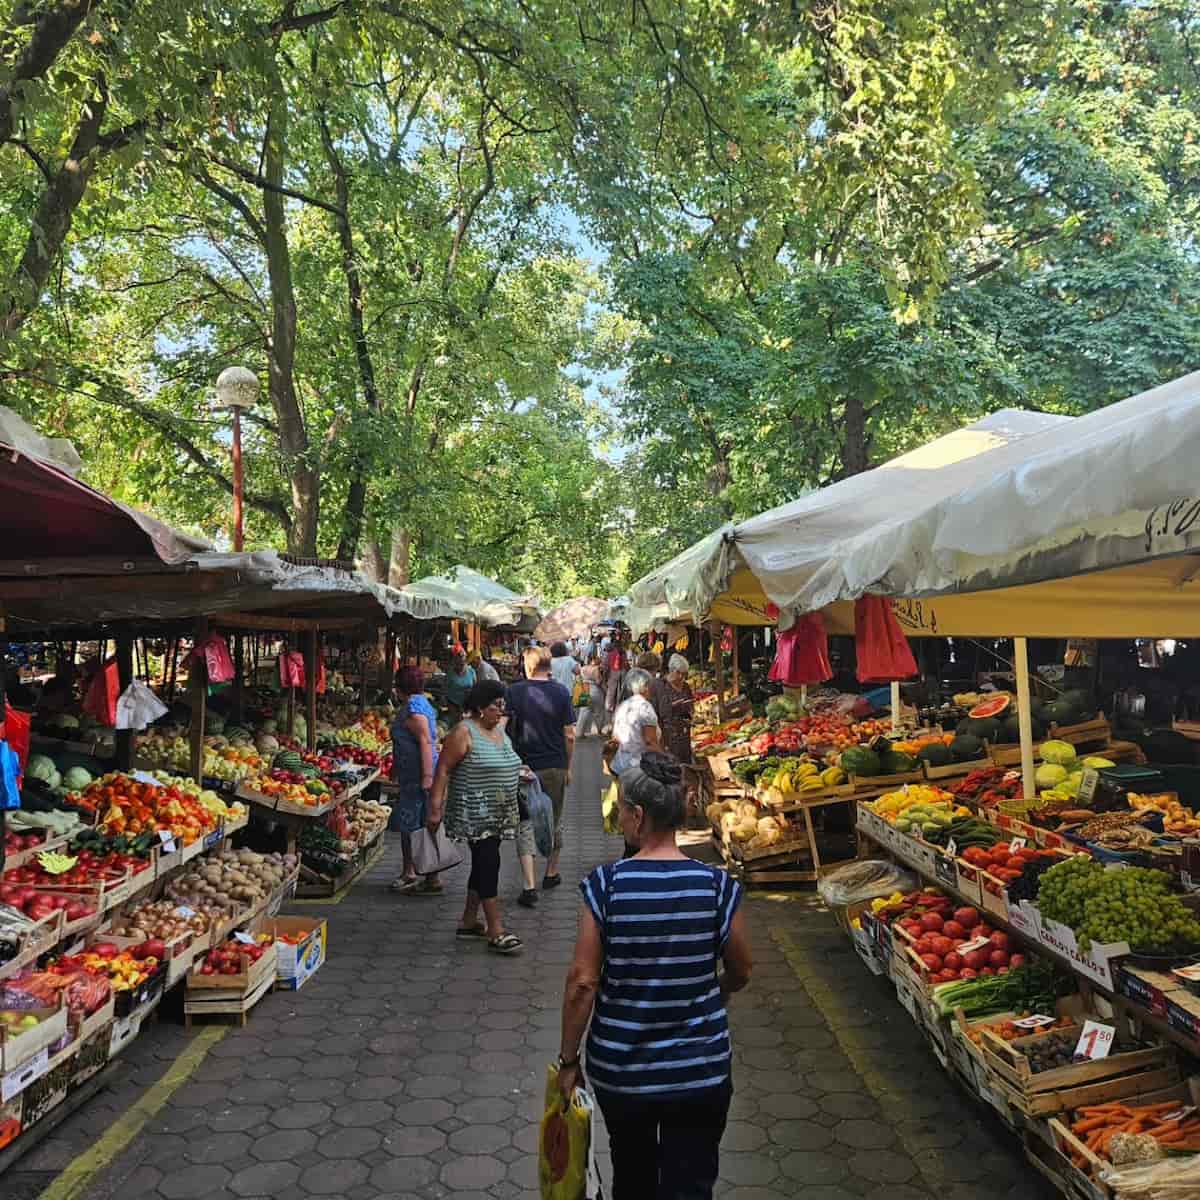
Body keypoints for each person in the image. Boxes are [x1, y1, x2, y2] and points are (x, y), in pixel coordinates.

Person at [556, 753, 752, 1200]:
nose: (620, 818)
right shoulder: (717, 886)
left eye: (622, 809)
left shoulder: (605, 885)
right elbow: (742, 969)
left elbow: (583, 982)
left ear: (639, 816)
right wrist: (715, 992)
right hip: (700, 1070)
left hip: (623, 1071)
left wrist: (569, 1061)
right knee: (691, 1183)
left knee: (633, 1174)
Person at [427, 680, 523, 954]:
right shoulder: (463, 732)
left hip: (498, 812)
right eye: (496, 706)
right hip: (473, 813)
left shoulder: (499, 732)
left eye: (503, 706)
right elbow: (443, 769)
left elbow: (505, 761)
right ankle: (496, 929)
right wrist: (435, 807)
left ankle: (469, 921)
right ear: (480, 708)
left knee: (484, 862)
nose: (500, 711)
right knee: (488, 862)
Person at [506, 646, 576, 901]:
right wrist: (568, 767)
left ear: (528, 665)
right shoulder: (561, 692)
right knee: (554, 819)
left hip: (523, 767)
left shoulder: (513, 691)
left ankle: (529, 885)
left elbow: (503, 729)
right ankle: (551, 873)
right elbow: (569, 735)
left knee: (525, 822)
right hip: (554, 766)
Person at [388, 667, 442, 896]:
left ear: (400, 688)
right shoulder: (422, 702)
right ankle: (431, 876)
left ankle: (411, 872)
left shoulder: (413, 708)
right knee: (423, 823)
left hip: (418, 778)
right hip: (414, 774)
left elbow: (425, 742)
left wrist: (428, 777)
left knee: (410, 825)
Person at [609, 667, 660, 775]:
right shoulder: (645, 708)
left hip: (620, 764)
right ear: (645, 687)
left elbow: (615, 737)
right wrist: (664, 758)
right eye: (650, 685)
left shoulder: (623, 705)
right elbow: (650, 741)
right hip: (638, 767)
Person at [660, 653, 695, 764]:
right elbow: (660, 711)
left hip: (685, 731)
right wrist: (672, 706)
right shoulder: (662, 686)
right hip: (670, 733)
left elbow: (691, 703)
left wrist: (690, 710)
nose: (681, 677)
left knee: (686, 762)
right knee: (674, 763)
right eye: (678, 673)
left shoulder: (686, 686)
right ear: (671, 670)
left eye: (683, 674)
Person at [575, 653, 605, 739]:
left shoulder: (583, 668)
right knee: (598, 712)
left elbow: (578, 679)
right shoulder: (596, 669)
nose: (600, 661)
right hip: (595, 690)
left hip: (584, 689)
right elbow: (598, 682)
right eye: (599, 659)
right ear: (594, 660)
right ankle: (599, 730)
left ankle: (579, 733)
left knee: (583, 712)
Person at [443, 651, 475, 724]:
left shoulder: (471, 671)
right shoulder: (450, 673)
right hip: (453, 702)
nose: (459, 667)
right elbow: (445, 687)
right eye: (457, 664)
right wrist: (444, 699)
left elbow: (475, 686)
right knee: (456, 723)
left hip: (467, 703)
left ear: (466, 663)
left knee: (467, 724)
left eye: (462, 664)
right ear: (454, 663)